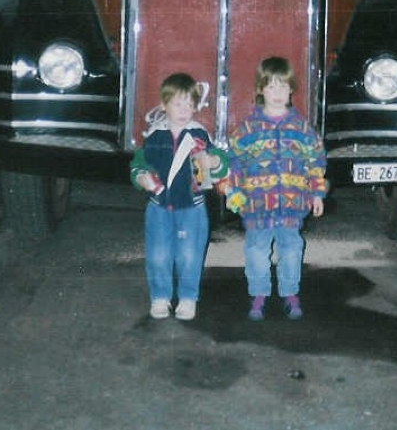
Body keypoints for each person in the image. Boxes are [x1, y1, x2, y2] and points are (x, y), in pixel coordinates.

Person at [226, 57, 328, 320]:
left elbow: (316, 162)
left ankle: (289, 292)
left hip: (292, 205)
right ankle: (259, 293)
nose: (277, 93)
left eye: (283, 87)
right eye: (271, 87)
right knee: (257, 250)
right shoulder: (247, 129)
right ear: (260, 89)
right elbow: (235, 162)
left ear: (291, 90)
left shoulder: (303, 129)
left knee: (292, 249)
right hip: (257, 206)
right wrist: (234, 191)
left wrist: (317, 192)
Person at [130, 73, 227, 321]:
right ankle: (160, 297)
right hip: (158, 206)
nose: (184, 110)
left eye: (189, 105)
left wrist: (213, 160)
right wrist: (141, 177)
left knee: (189, 254)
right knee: (158, 253)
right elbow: (138, 164)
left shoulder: (200, 135)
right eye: (177, 103)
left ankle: (187, 297)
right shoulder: (154, 136)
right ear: (163, 105)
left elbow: (221, 165)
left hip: (192, 208)